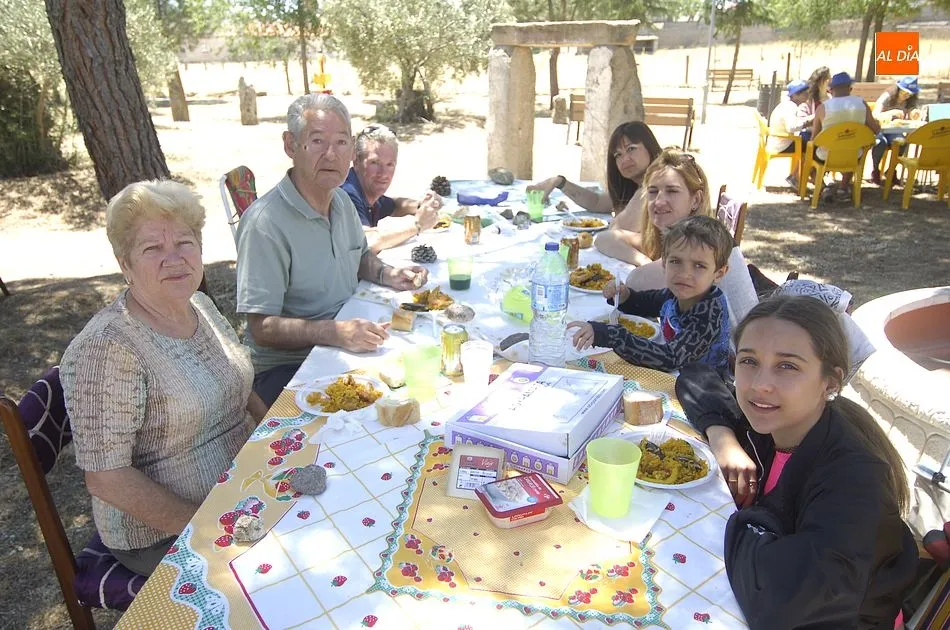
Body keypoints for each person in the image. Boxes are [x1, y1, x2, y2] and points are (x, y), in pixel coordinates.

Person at [60, 181, 269, 576]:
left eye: (185, 243)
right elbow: (107, 479)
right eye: (152, 248)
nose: (173, 260)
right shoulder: (108, 347)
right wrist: (209, 527)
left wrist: (276, 438)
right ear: (125, 264)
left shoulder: (199, 304)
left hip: (244, 486)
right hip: (166, 531)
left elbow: (240, 390)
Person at [676, 296, 916, 629]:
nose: (760, 384)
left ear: (830, 381)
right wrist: (724, 439)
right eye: (749, 361)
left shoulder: (855, 479)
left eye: (787, 365)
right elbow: (696, 375)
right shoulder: (773, 423)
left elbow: (781, 603)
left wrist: (746, 521)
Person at [236, 94, 428, 406]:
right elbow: (262, 327)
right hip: (289, 368)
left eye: (341, 142)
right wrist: (335, 332)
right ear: (290, 145)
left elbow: (359, 256)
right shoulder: (264, 223)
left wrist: (390, 274)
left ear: (352, 150)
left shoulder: (339, 200)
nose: (331, 154)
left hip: (344, 341)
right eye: (316, 141)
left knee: (421, 381)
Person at [567, 215, 733, 373]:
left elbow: (670, 358)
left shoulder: (709, 314)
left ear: (718, 273)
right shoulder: (678, 294)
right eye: (676, 261)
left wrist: (610, 335)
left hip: (702, 391)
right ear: (664, 263)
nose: (684, 274)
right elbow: (647, 303)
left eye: (699, 266)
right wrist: (625, 296)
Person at [527, 122, 662, 262]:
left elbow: (615, 231)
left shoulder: (657, 183)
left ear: (649, 146)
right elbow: (596, 202)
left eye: (631, 149)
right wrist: (559, 182)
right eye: (618, 155)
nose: (625, 159)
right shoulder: (634, 183)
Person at [340, 124, 444, 253]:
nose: (383, 173)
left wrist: (422, 205)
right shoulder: (346, 194)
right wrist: (417, 225)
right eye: (375, 163)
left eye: (390, 164)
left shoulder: (368, 192)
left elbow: (394, 205)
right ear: (356, 162)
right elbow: (367, 241)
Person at [812, 71, 881, 202]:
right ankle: (843, 188)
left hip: (826, 156)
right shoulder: (861, 104)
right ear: (850, 88)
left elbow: (814, 137)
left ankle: (822, 187)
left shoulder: (823, 108)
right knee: (852, 145)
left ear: (830, 90)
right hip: (853, 155)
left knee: (809, 153)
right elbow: (875, 129)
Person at [870, 76, 922, 185]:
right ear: (899, 89)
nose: (906, 96)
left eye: (910, 94)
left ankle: (891, 169)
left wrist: (914, 113)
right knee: (880, 143)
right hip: (879, 129)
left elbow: (912, 112)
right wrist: (891, 113)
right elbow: (874, 115)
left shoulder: (910, 101)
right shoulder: (888, 96)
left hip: (894, 130)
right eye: (905, 92)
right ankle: (875, 170)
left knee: (902, 142)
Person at [766, 80, 811, 189]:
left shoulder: (787, 105)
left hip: (778, 140)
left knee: (807, 143)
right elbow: (791, 127)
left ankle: (795, 175)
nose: (807, 95)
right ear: (795, 95)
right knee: (811, 148)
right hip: (782, 143)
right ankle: (796, 176)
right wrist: (809, 122)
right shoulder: (790, 107)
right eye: (804, 93)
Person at [797, 66, 831, 143]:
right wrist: (816, 118)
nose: (829, 81)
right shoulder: (808, 101)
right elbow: (801, 122)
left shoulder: (832, 98)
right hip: (811, 134)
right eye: (827, 79)